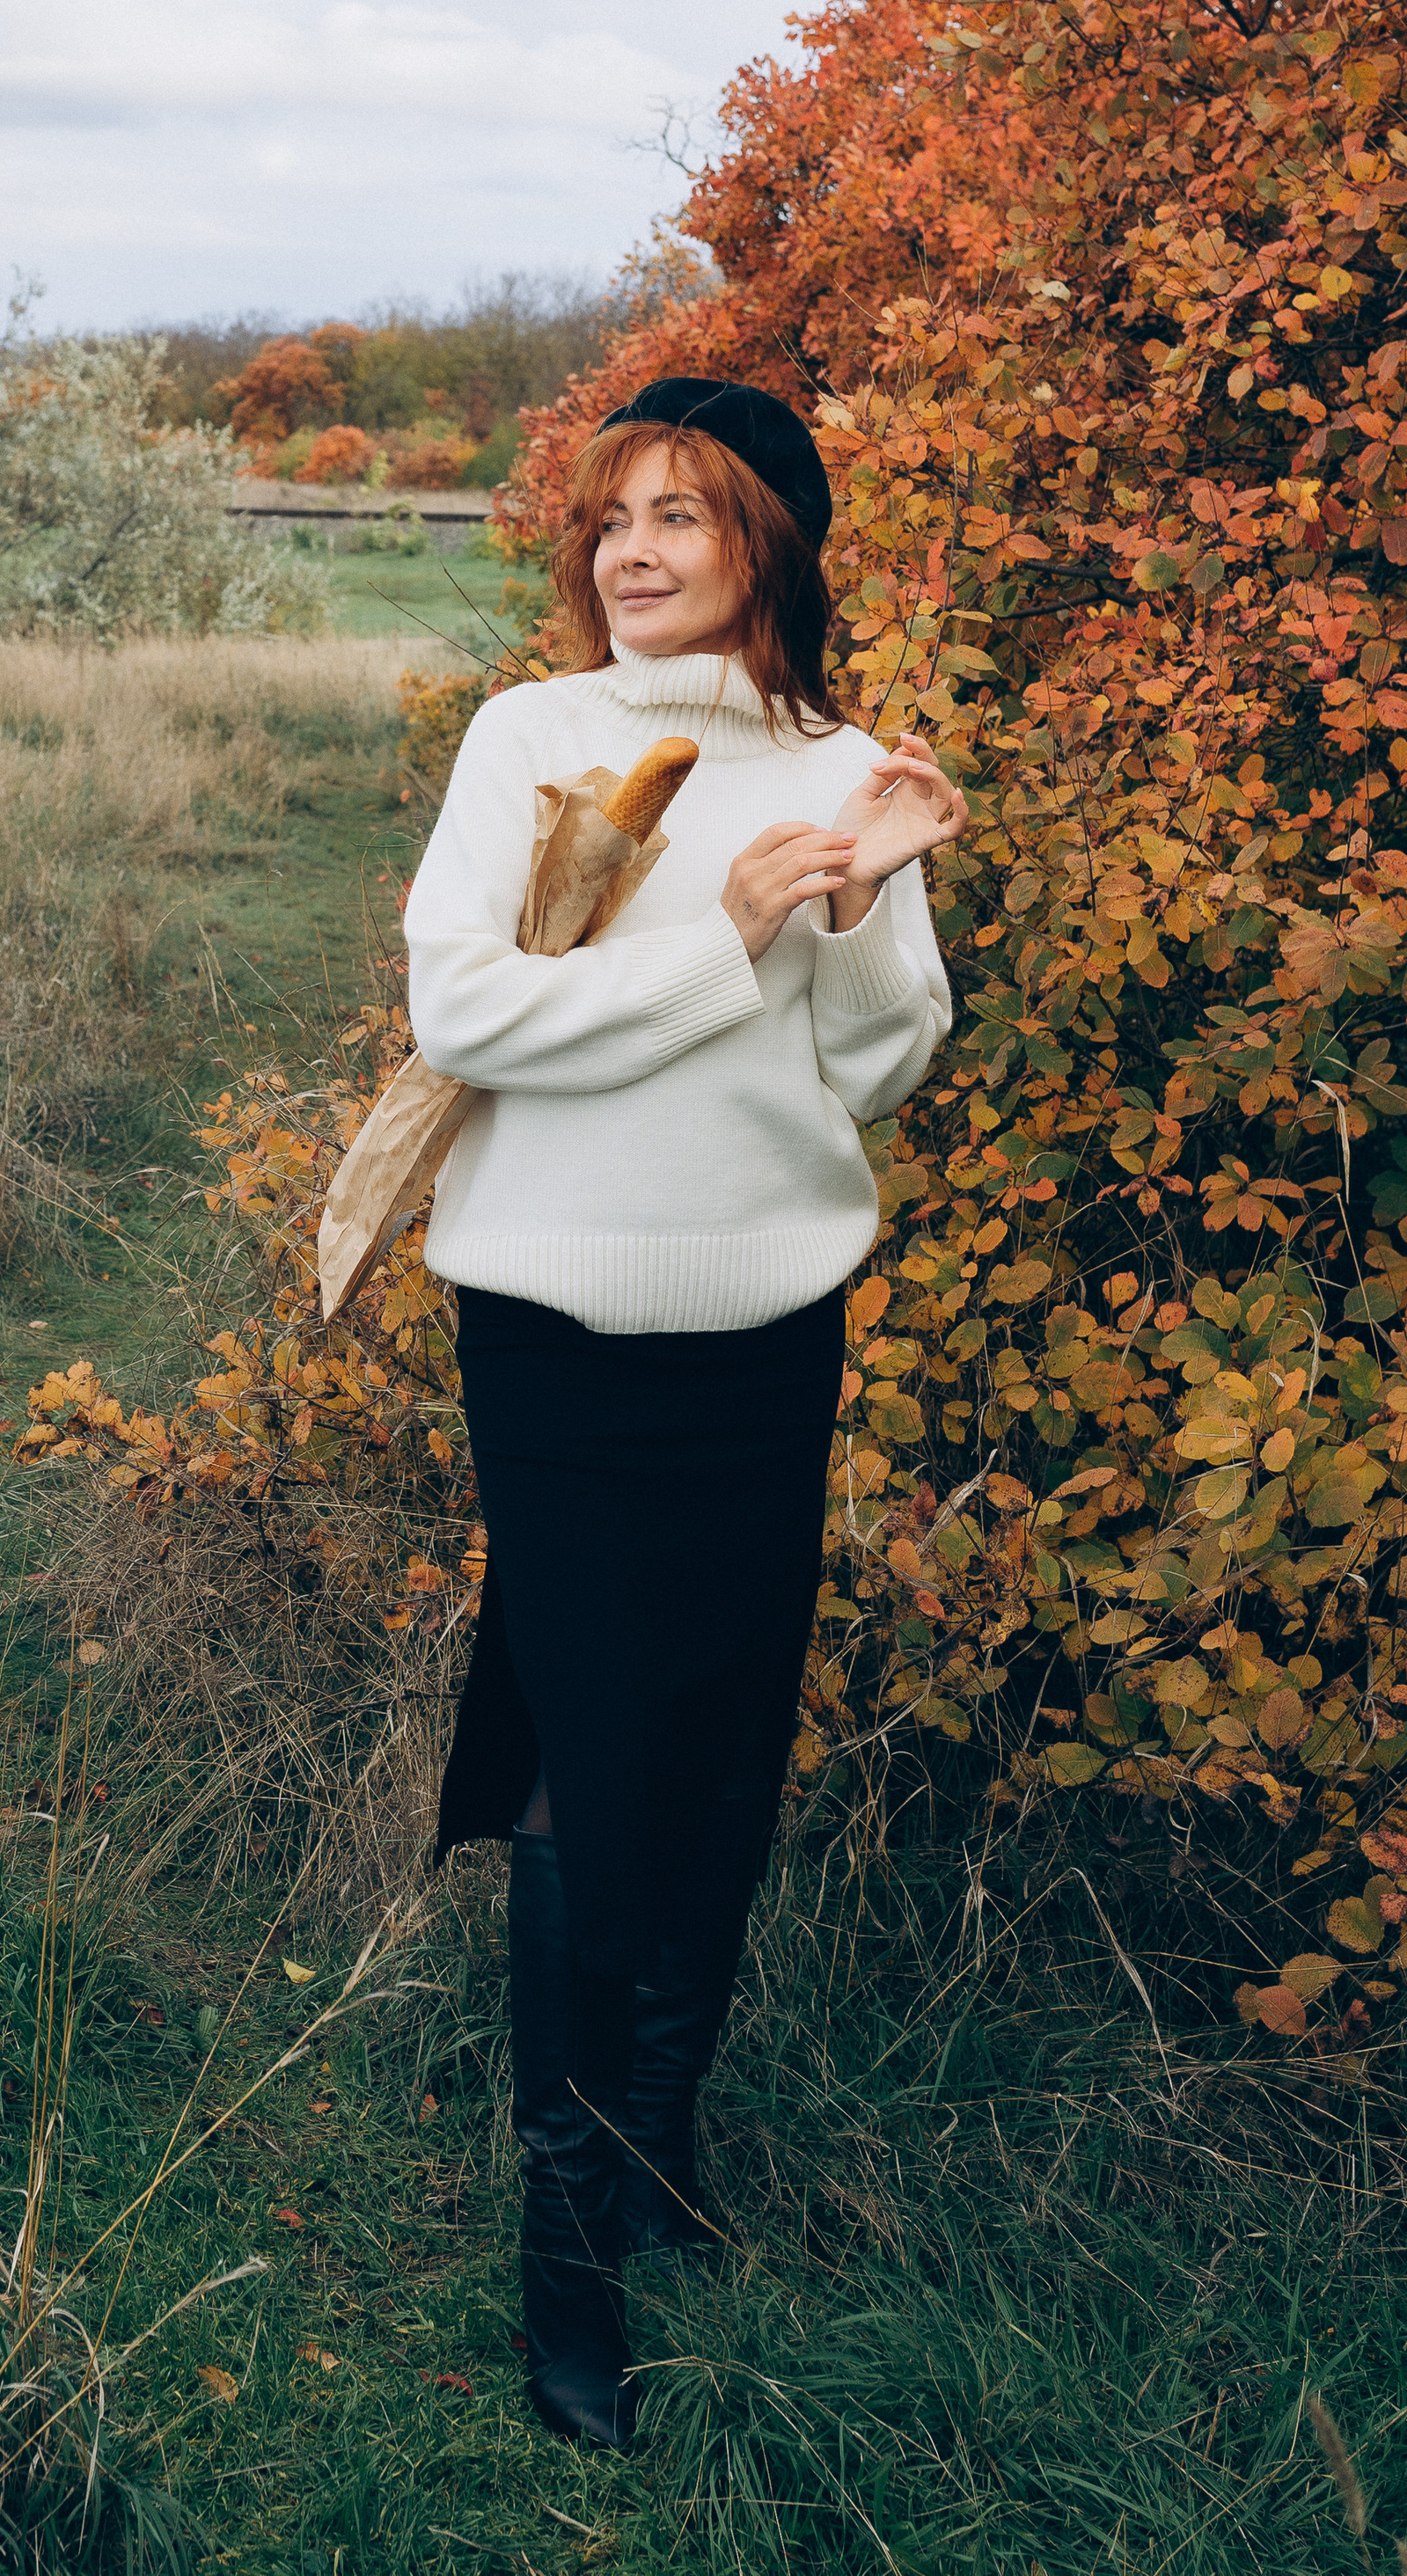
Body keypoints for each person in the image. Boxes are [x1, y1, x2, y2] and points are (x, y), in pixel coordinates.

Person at [403, 376, 965, 2450]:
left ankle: (655, 2164)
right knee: (586, 1753)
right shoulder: (532, 738)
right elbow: (462, 1010)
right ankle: (565, 2267)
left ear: (767, 548)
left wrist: (875, 894)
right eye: (611, 517)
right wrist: (718, 935)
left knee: (722, 1738)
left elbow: (871, 1068)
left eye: (681, 517)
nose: (631, 550)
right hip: (553, 1325)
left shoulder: (830, 763)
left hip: (762, 1323)